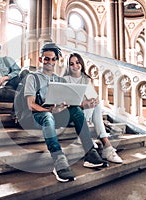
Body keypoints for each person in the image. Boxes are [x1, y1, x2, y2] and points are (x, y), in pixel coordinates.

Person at [24, 43, 108, 183]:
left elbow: (67, 102)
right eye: (46, 59)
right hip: (39, 115)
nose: (50, 62)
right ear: (40, 60)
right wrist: (50, 110)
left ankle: (90, 153)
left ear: (56, 61)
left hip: (55, 113)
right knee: (48, 117)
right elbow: (31, 105)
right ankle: (58, 160)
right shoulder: (33, 78)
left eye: (53, 59)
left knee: (75, 110)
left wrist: (62, 107)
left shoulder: (60, 80)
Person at [63, 52, 123, 164]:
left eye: (77, 62)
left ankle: (107, 147)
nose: (75, 66)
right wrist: (84, 104)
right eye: (71, 64)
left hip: (87, 115)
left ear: (81, 63)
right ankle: (106, 147)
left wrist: (94, 101)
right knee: (91, 106)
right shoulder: (65, 80)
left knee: (96, 105)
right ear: (68, 66)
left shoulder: (86, 79)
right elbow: (67, 104)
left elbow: (93, 98)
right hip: (72, 116)